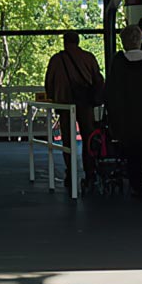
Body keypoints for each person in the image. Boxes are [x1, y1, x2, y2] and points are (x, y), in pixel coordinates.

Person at [106, 25, 142, 199]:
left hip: (127, 118)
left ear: (123, 42)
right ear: (141, 40)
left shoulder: (119, 63)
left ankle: (137, 187)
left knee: (132, 153)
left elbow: (111, 91)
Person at [44, 31, 104, 186]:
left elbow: (49, 84)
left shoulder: (56, 60)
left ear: (65, 42)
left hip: (64, 105)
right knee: (88, 137)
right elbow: (98, 79)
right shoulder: (88, 57)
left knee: (68, 141)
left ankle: (70, 172)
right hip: (85, 104)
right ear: (78, 41)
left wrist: (54, 97)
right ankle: (90, 171)